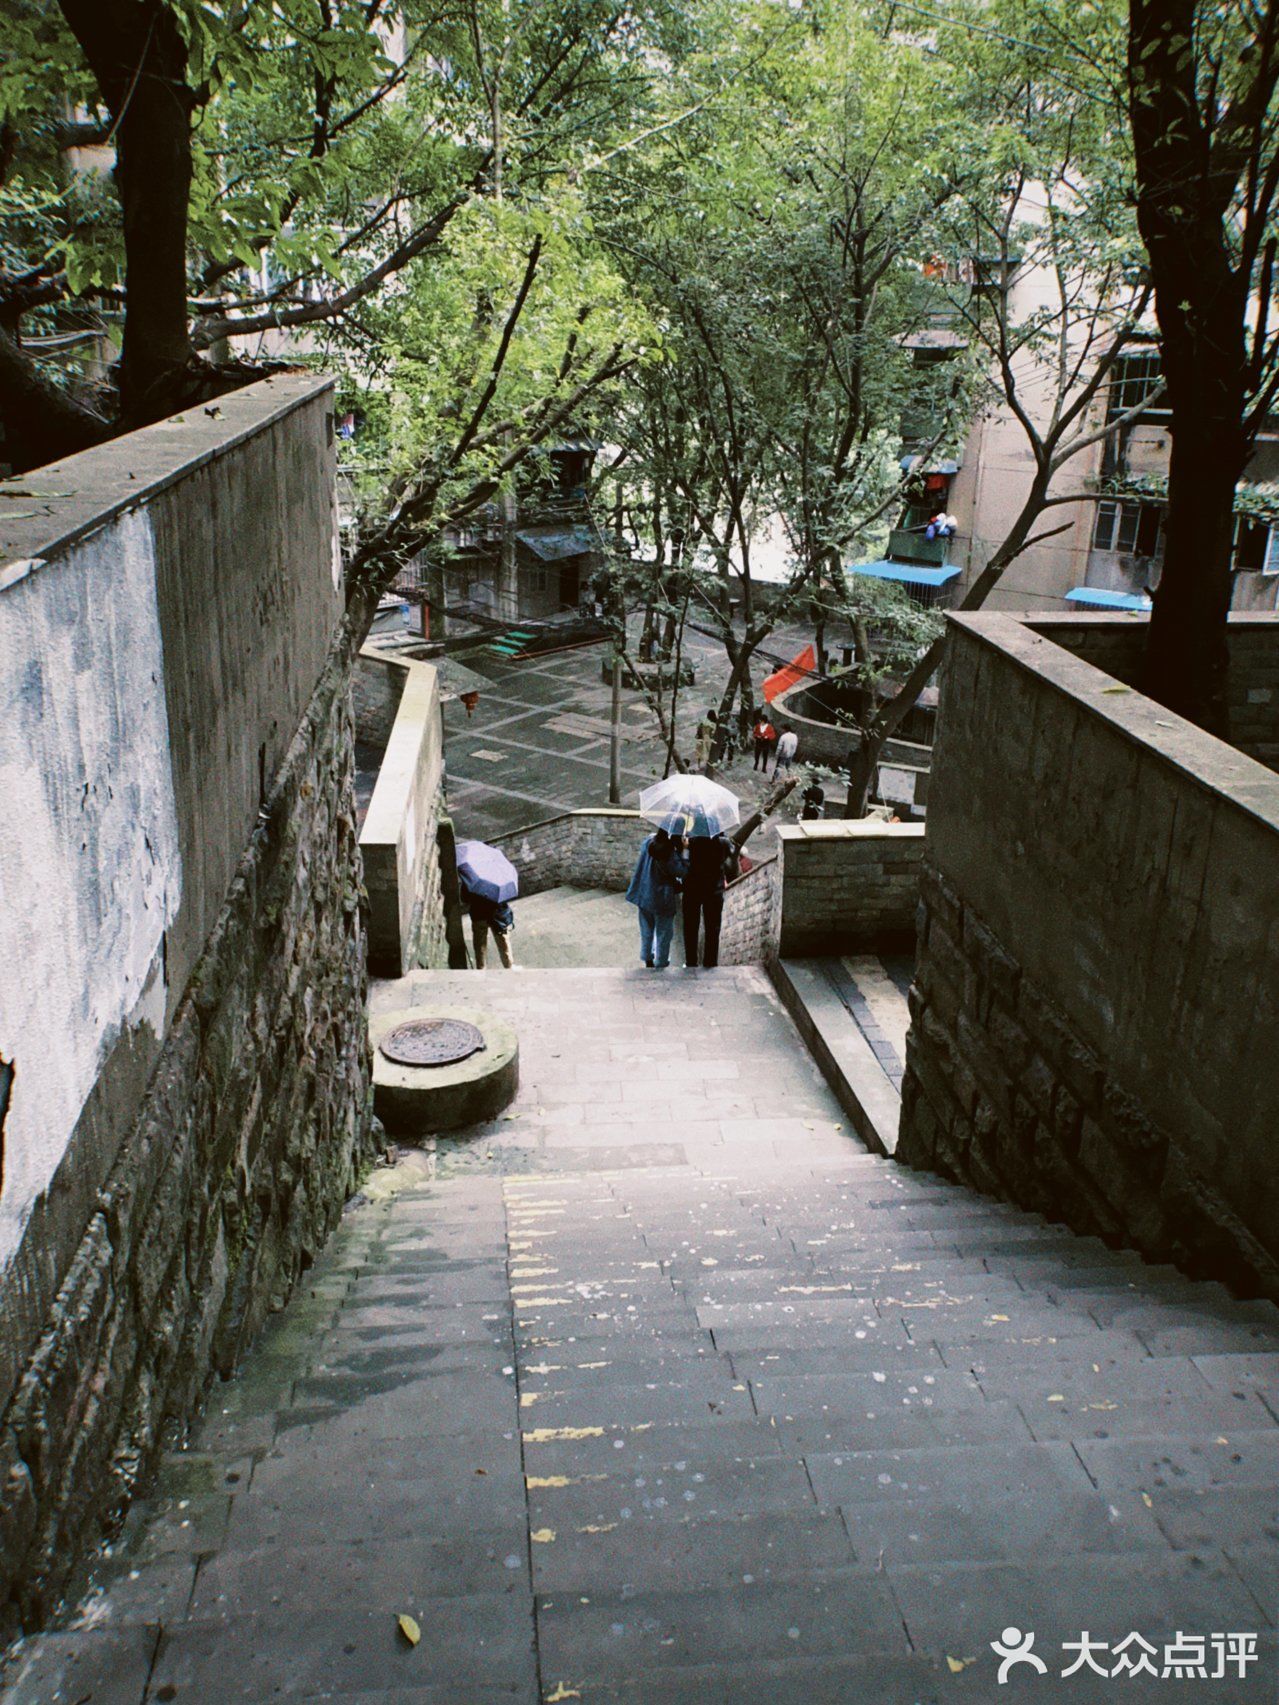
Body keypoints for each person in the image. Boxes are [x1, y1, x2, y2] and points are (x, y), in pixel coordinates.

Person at [624, 827, 686, 969]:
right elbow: (682, 872)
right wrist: (684, 850)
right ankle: (661, 963)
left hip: (644, 893)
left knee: (646, 929)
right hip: (662, 899)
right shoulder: (671, 853)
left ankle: (647, 958)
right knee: (664, 934)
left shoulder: (648, 842)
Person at [682, 832, 737, 969]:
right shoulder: (723, 843)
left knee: (690, 928)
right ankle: (710, 962)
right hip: (714, 891)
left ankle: (691, 962)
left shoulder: (690, 842)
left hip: (692, 889)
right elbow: (729, 860)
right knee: (713, 928)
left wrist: (685, 847)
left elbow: (685, 862)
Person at [461, 881, 515, 968]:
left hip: (479, 914)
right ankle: (509, 966)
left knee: (480, 945)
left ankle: (481, 969)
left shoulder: (471, 877)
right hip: (497, 914)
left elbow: (465, 898)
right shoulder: (497, 874)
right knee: (503, 941)